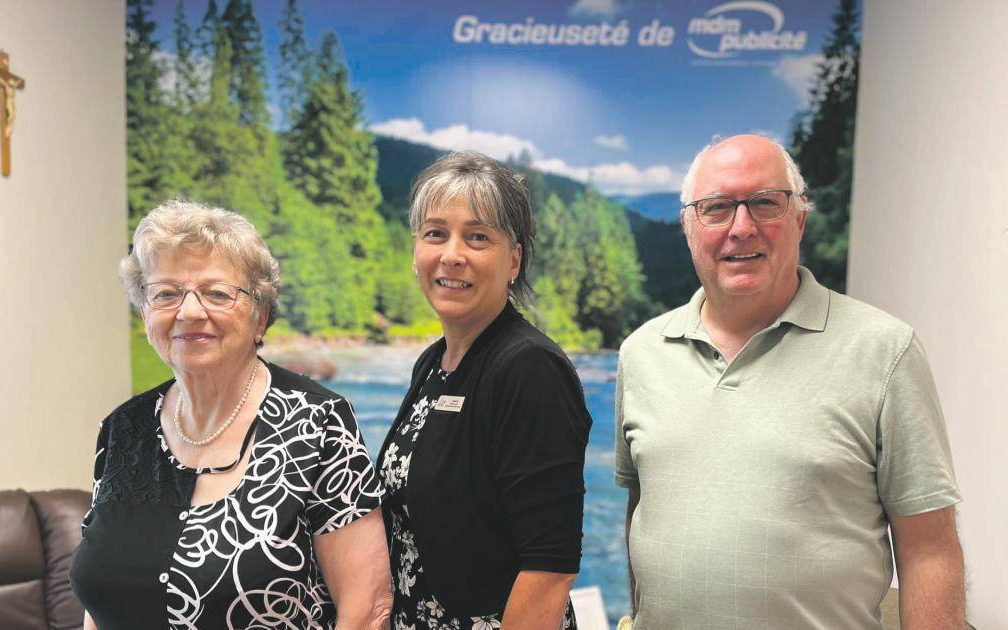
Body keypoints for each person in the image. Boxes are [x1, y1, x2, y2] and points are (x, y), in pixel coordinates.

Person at [615, 135, 964, 629]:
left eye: (765, 203)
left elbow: (930, 549)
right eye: (716, 208)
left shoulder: (885, 350)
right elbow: (641, 510)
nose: (742, 227)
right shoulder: (642, 352)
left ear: (800, 217)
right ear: (689, 227)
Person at [69, 201, 391, 629]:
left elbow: (367, 610)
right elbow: (99, 601)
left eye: (217, 293)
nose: (188, 311)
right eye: (165, 294)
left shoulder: (320, 424)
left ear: (259, 316)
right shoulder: (122, 428)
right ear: (145, 313)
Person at [380, 152, 591, 629]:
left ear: (513, 260)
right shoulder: (434, 363)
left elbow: (549, 569)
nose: (452, 254)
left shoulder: (529, 368)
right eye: (435, 233)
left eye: (478, 237)